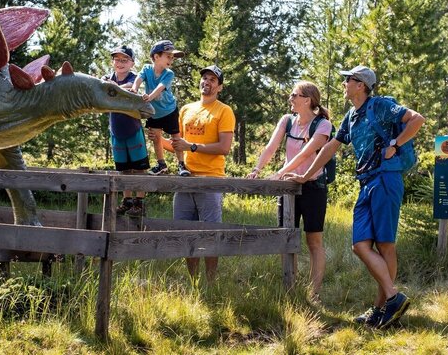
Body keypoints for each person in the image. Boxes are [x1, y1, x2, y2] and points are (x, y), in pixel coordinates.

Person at [286, 66, 425, 329]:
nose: (343, 84)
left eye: (347, 80)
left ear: (360, 85)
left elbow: (417, 119)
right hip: (366, 182)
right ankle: (393, 299)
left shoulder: (381, 106)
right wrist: (306, 175)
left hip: (386, 178)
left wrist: (395, 144)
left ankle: (382, 309)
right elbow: (329, 149)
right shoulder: (351, 116)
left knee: (385, 245)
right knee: (360, 245)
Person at [247, 81, 332, 300]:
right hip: (288, 188)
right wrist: (257, 169)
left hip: (313, 187)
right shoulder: (287, 121)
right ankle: (291, 288)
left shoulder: (323, 125)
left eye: (294, 95)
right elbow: (271, 147)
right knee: (286, 238)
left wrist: (278, 173)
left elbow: (305, 153)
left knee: (314, 240)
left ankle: (314, 292)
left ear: (307, 99)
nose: (290, 98)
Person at [170, 65, 235, 282]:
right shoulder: (186, 109)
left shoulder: (223, 111)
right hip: (185, 179)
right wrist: (157, 140)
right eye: (205, 78)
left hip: (211, 180)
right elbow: (177, 145)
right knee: (184, 231)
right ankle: (193, 282)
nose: (206, 82)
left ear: (220, 87)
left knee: (210, 233)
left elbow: (224, 147)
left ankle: (210, 282)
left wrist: (193, 147)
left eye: (212, 80)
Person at [102, 45, 150, 217]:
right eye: (117, 59)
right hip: (116, 130)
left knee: (139, 168)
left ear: (132, 63)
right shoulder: (107, 78)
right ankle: (127, 200)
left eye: (124, 60)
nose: (120, 63)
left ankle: (140, 202)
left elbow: (132, 88)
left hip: (133, 129)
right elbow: (101, 90)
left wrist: (116, 87)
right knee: (123, 168)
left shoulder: (134, 78)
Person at [132, 40, 189, 176]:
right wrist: (134, 89)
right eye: (168, 56)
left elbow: (160, 88)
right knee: (156, 137)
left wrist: (149, 97)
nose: (171, 60)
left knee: (176, 137)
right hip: (154, 112)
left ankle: (181, 164)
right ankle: (161, 164)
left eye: (173, 57)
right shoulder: (146, 69)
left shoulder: (169, 74)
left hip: (169, 110)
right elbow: (139, 79)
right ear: (156, 57)